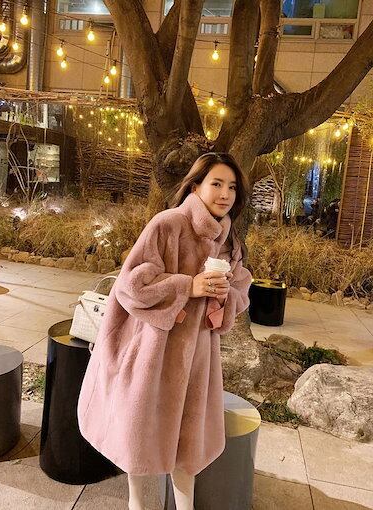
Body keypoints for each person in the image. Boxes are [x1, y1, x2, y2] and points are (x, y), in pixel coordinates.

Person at [77, 152, 253, 510]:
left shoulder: (229, 240)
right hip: (153, 354)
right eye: (217, 183)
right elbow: (131, 285)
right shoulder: (168, 224)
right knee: (141, 441)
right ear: (195, 186)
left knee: (187, 450)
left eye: (232, 187)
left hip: (197, 361)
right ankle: (138, 505)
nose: (225, 194)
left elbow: (240, 291)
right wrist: (188, 286)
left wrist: (225, 295)